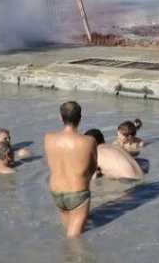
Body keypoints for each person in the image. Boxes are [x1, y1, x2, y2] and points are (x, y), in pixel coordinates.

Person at [44, 101, 98, 238]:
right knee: (74, 241)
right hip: (77, 193)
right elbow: (92, 167)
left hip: (56, 192)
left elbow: (51, 163)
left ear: (60, 118)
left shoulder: (48, 138)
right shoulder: (89, 141)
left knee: (67, 232)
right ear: (80, 118)